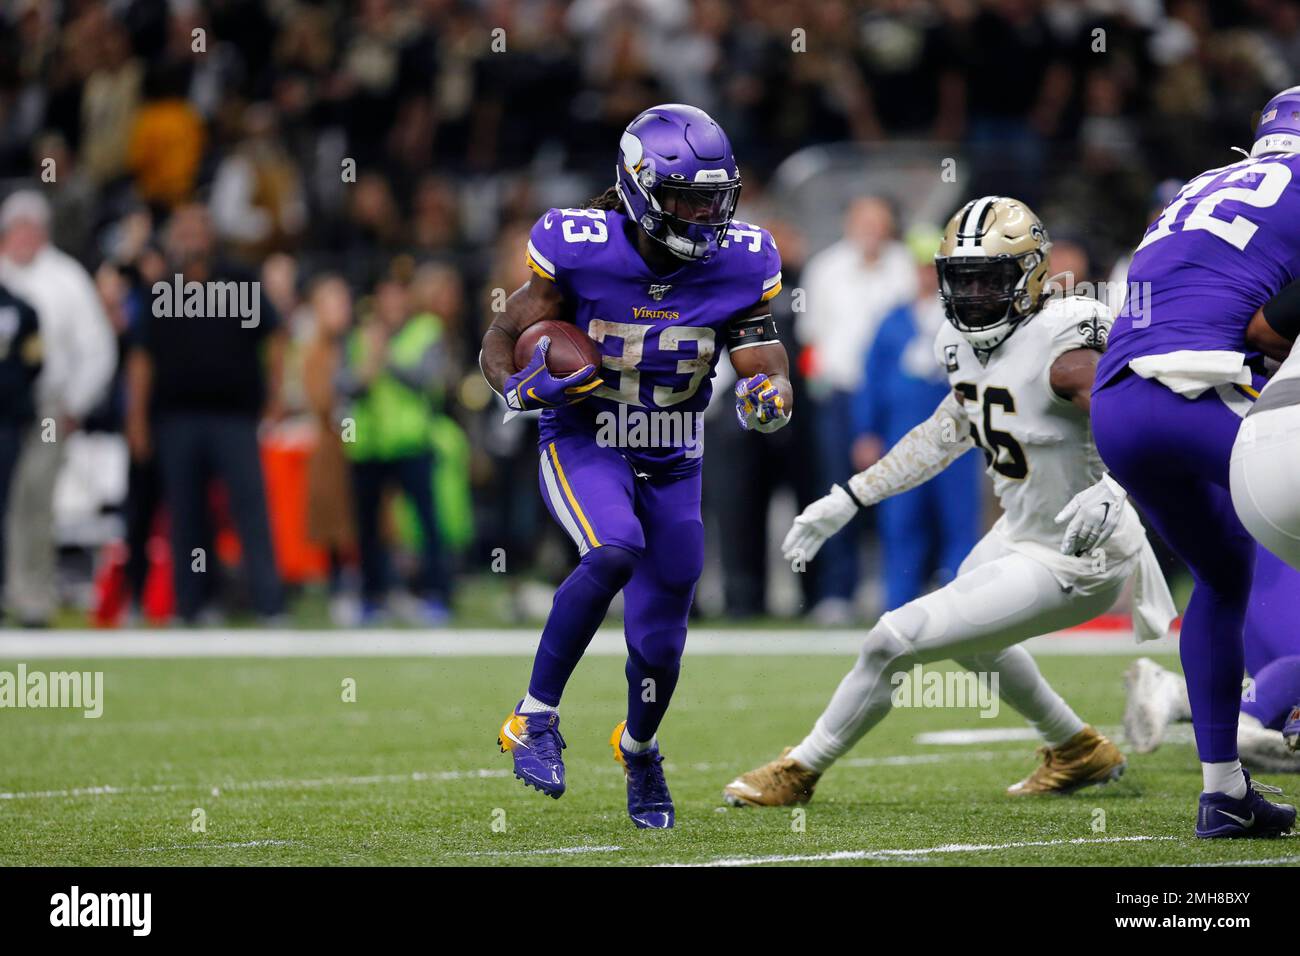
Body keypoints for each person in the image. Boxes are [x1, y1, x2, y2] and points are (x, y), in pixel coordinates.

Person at [724, 196, 1175, 807]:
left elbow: (1136, 419)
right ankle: (1075, 748)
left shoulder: (1065, 339)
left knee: (893, 637)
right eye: (961, 279)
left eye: (990, 278)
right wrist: (850, 496)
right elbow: (945, 432)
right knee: (974, 640)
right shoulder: (957, 342)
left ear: (1031, 276)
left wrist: (1116, 487)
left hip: (1078, 553)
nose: (974, 294)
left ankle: (800, 769)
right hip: (1021, 533)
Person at [479, 104, 791, 829]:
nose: (704, 217)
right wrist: (516, 386)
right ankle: (534, 717)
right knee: (614, 548)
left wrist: (768, 392)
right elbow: (502, 333)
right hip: (587, 433)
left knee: (661, 638)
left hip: (676, 448)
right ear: (641, 186)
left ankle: (641, 748)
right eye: (686, 200)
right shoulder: (580, 245)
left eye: (714, 201)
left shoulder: (743, 260)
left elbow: (761, 357)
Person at [1091, 87, 1300, 838]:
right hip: (1202, 389)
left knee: (1224, 574)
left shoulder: (1199, 188)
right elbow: (1268, 324)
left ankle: (1225, 794)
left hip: (1119, 407)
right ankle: (1271, 705)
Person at [126, 203, 286, 624]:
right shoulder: (160, 289)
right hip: (176, 419)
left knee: (250, 508)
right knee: (185, 515)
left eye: (200, 228)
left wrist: (274, 396)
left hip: (234, 416)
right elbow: (141, 360)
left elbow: (276, 336)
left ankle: (269, 604)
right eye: (185, 229)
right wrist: (136, 419)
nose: (193, 237)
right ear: (175, 236)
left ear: (212, 235)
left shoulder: (240, 280)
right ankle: (192, 607)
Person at [796, 196, 915, 623]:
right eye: (862, 219)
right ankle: (837, 591)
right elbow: (811, 335)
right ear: (849, 222)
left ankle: (895, 583)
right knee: (836, 489)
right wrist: (821, 389)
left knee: (899, 488)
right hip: (842, 394)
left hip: (893, 396)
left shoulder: (905, 266)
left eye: (878, 220)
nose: (870, 228)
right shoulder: (825, 268)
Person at [0, 190, 117, 626]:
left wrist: (75, 405)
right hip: (2, 406)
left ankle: (32, 597)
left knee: (35, 498)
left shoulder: (66, 278)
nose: (25, 237)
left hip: (48, 403)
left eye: (33, 228)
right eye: (18, 228)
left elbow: (97, 349)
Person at [851, 226, 980, 610]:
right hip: (901, 434)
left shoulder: (966, 318)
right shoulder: (893, 320)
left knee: (959, 523)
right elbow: (871, 380)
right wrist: (866, 432)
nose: (928, 275)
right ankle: (899, 608)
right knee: (902, 524)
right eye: (922, 267)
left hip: (957, 436)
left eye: (934, 267)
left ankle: (961, 610)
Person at [339, 276, 452, 625]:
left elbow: (429, 381)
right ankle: (373, 597)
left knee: (428, 522)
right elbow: (343, 385)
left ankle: (438, 594)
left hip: (411, 442)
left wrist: (385, 357)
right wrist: (364, 372)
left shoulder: (426, 331)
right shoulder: (359, 335)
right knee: (368, 527)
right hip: (369, 446)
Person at [0, 282, 42, 604]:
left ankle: (13, 592)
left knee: (14, 506)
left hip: (9, 421)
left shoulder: (20, 307)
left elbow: (35, 361)